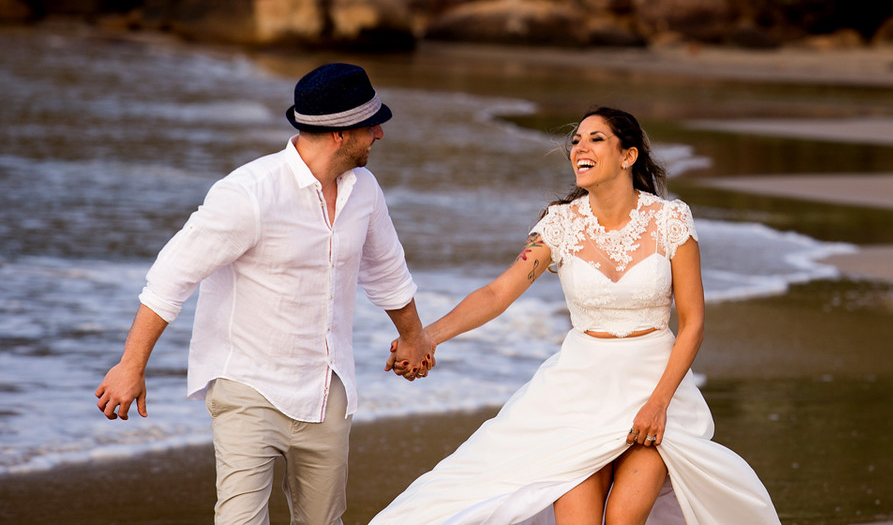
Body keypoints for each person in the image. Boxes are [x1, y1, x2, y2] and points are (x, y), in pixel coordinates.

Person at [373, 106, 780, 525]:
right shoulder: (559, 225)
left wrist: (658, 404)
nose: (579, 147)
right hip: (576, 397)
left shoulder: (670, 219)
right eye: (576, 140)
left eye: (596, 139)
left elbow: (693, 322)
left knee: (623, 517)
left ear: (628, 155)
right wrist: (426, 336)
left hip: (654, 389)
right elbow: (498, 292)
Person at [95, 62, 435, 525]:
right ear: (339, 132)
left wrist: (413, 338)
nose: (379, 134)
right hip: (248, 386)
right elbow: (172, 277)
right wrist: (130, 365)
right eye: (371, 124)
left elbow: (387, 272)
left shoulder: (365, 191)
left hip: (327, 392)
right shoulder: (248, 194)